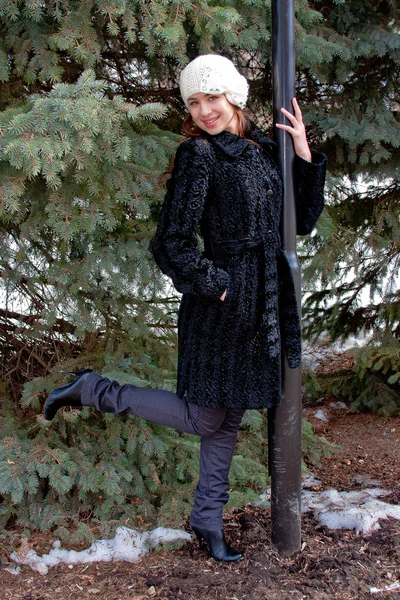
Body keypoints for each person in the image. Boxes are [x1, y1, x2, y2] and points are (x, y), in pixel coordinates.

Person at [43, 54, 327, 562]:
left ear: (233, 96)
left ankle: (207, 519)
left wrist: (302, 155)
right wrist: (219, 285)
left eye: (211, 98)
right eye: (194, 102)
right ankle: (95, 389)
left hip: (263, 304)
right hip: (222, 307)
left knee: (228, 417)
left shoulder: (264, 150)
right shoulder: (200, 158)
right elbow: (170, 243)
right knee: (204, 417)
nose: (203, 111)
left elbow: (299, 222)